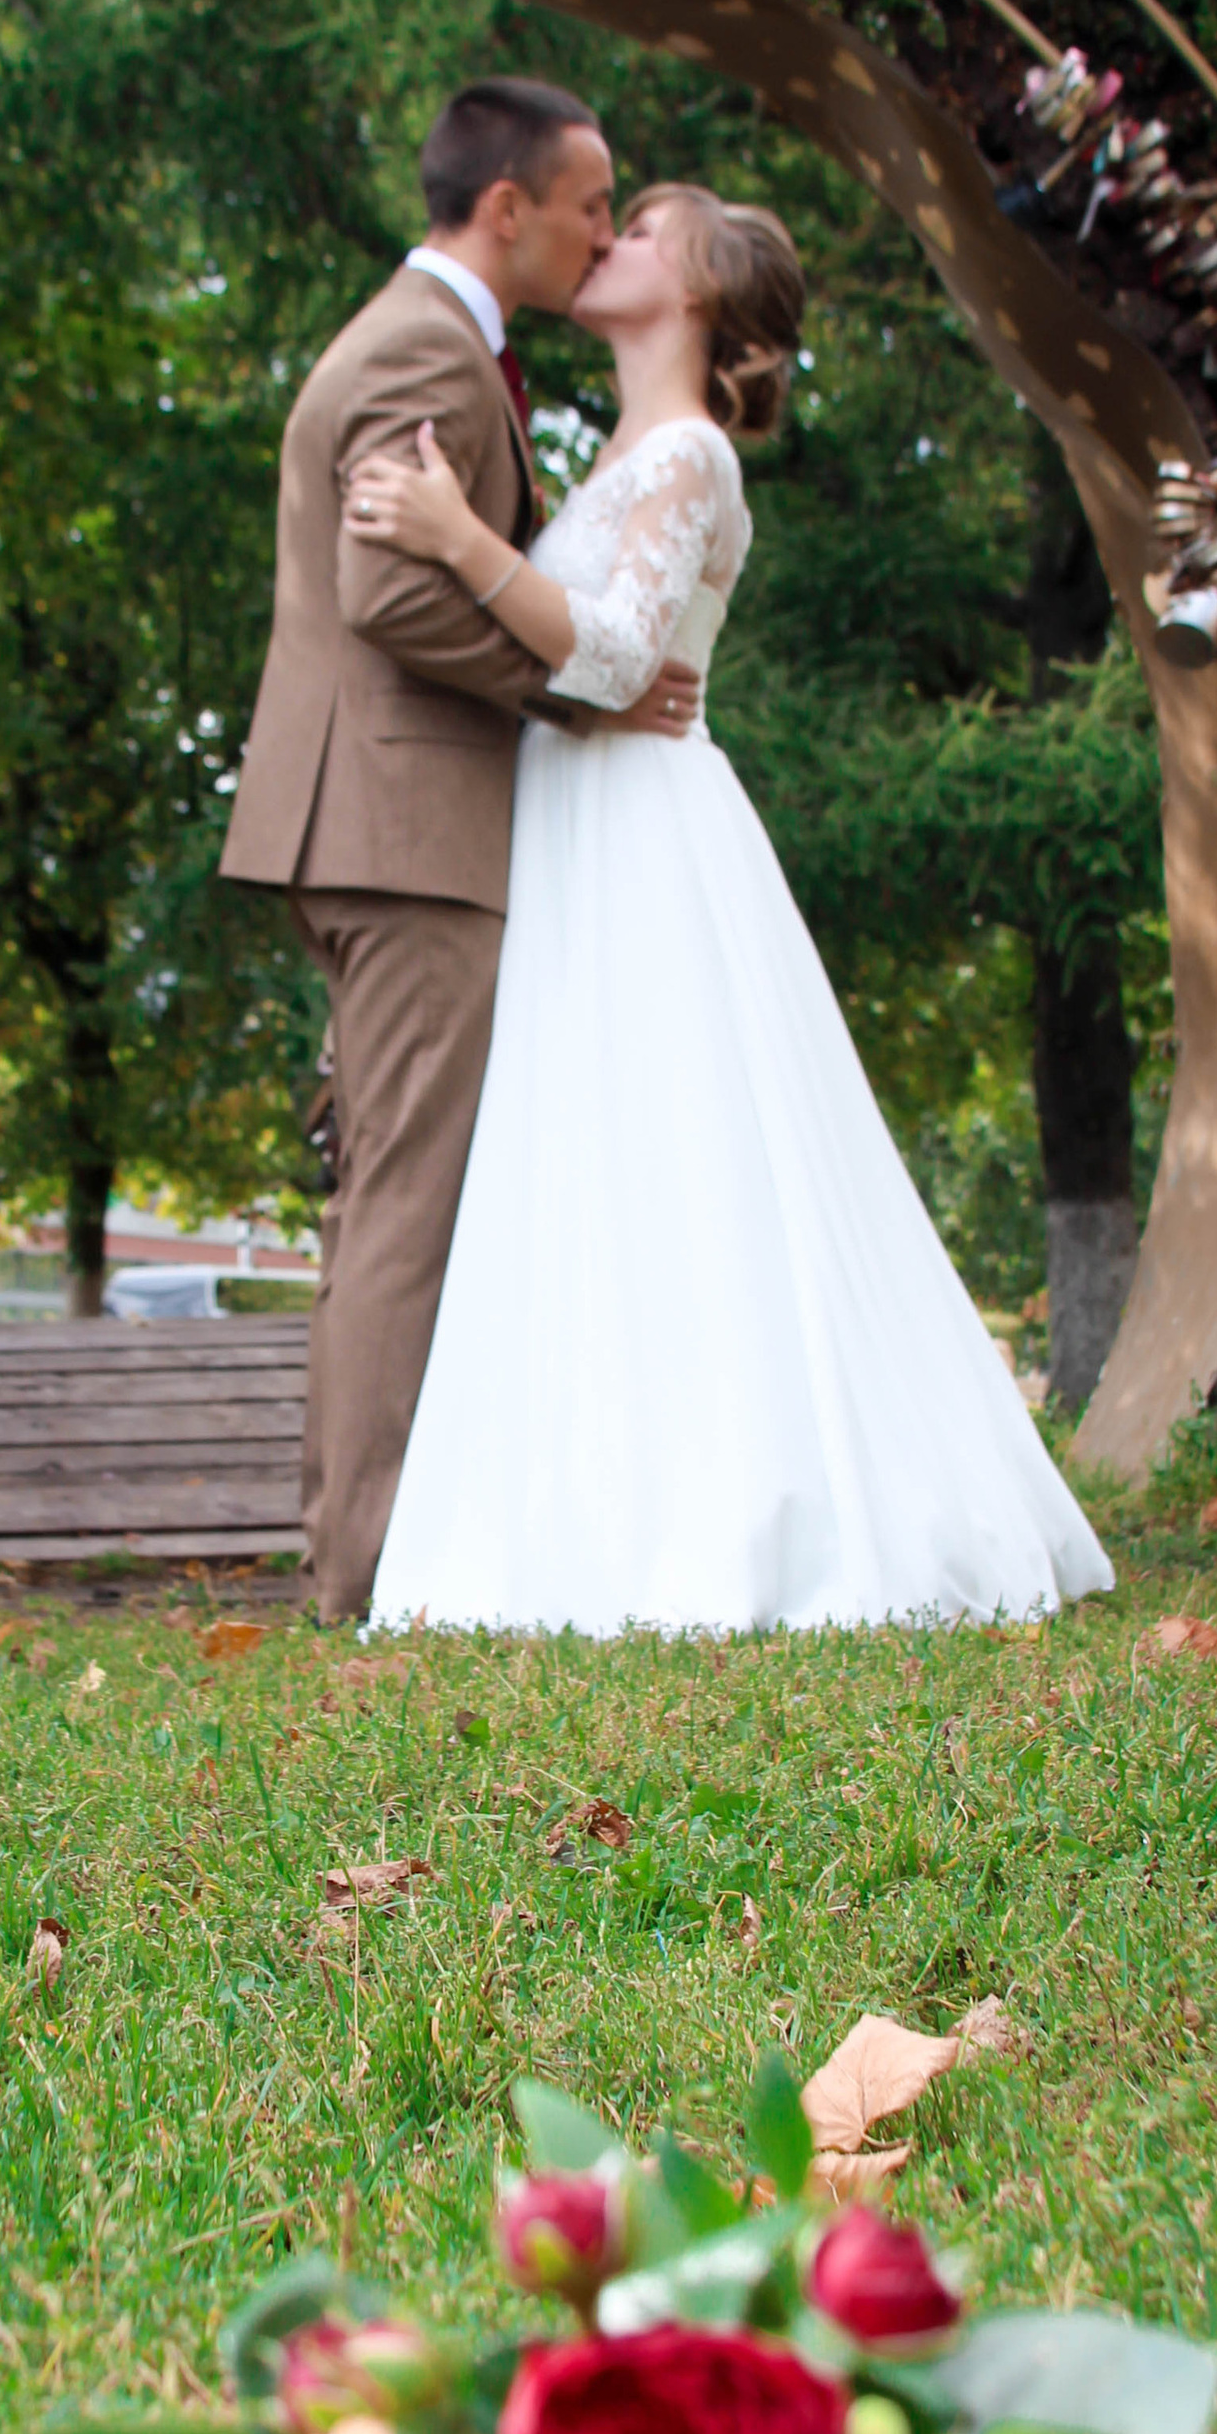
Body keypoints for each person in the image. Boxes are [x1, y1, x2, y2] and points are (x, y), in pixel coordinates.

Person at [349, 182, 1115, 1635]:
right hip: (580, 820)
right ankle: (594, 1512)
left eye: (642, 229)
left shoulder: (691, 454)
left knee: (677, 1156)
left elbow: (619, 656)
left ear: (698, 290)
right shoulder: (626, 452)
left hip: (643, 835)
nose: (611, 240)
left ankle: (730, 1516)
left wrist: (454, 538)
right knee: (595, 1162)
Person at [221, 81, 699, 1622]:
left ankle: (386, 1552)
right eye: (588, 204)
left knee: (396, 1198)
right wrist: (583, 696)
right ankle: (366, 1574)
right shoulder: (425, 345)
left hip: (388, 820)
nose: (603, 233)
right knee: (407, 1211)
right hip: (406, 826)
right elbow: (395, 599)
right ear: (508, 205)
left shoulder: (434, 342)